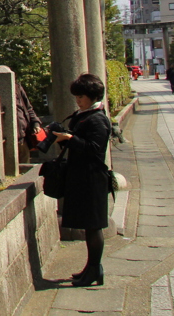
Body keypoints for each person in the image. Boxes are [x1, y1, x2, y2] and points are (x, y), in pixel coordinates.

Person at [53, 74, 112, 287]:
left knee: (94, 226)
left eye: (81, 96)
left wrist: (70, 139)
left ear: (92, 96)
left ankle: (95, 269)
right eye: (76, 96)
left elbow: (95, 151)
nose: (78, 100)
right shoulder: (85, 115)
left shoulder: (97, 119)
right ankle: (91, 267)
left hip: (93, 177)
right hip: (82, 176)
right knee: (88, 226)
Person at [15, 80, 43, 163]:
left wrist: (35, 123)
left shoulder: (17, 88)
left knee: (24, 164)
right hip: (6, 140)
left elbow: (28, 108)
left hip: (23, 136)